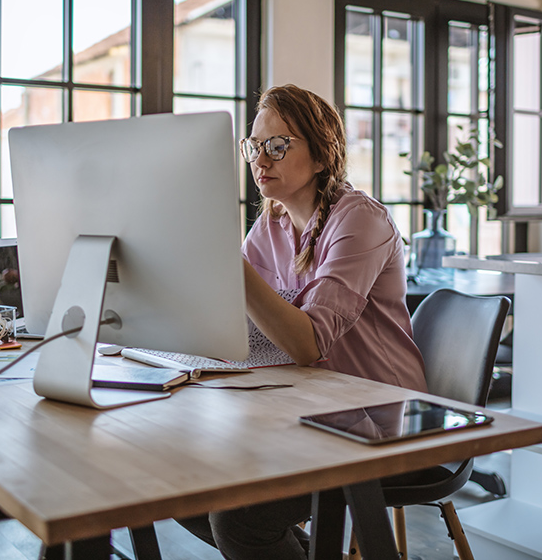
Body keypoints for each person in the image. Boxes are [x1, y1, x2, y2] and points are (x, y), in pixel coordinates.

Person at [179, 85, 427, 559]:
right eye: (255, 147)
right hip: (304, 407)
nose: (260, 160)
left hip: (378, 416)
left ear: (320, 156)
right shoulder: (269, 225)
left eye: (277, 145)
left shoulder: (360, 220)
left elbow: (308, 343)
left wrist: (229, 268)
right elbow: (225, 314)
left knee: (238, 516)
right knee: (183, 484)